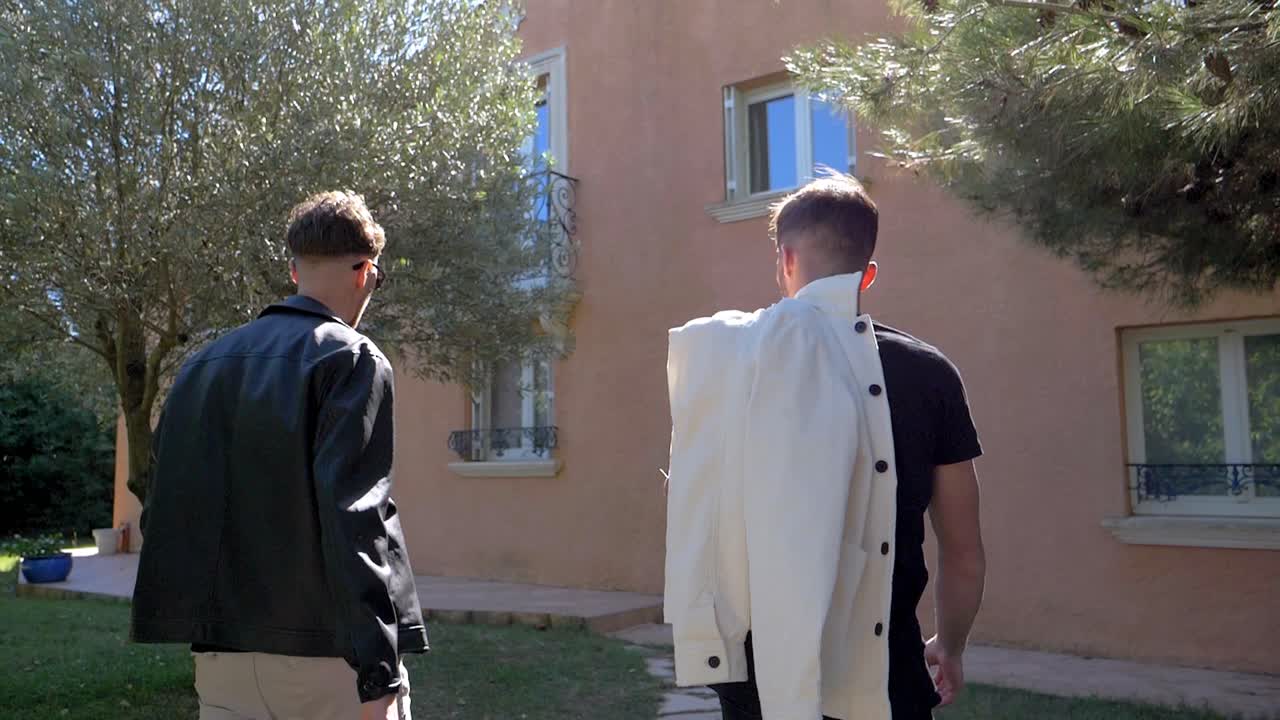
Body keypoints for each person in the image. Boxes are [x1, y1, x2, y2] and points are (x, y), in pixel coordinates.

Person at [664, 174, 985, 719]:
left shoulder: (732, 363)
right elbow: (963, 551)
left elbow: (697, 511)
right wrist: (950, 647)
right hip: (887, 671)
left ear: (785, 260)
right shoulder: (930, 374)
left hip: (758, 674)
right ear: (868, 274)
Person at [131, 191, 428, 720]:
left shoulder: (200, 368)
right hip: (330, 661)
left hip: (223, 662)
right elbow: (355, 520)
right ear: (365, 272)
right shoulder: (352, 358)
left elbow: (162, 509)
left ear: (294, 271)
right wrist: (379, 672)